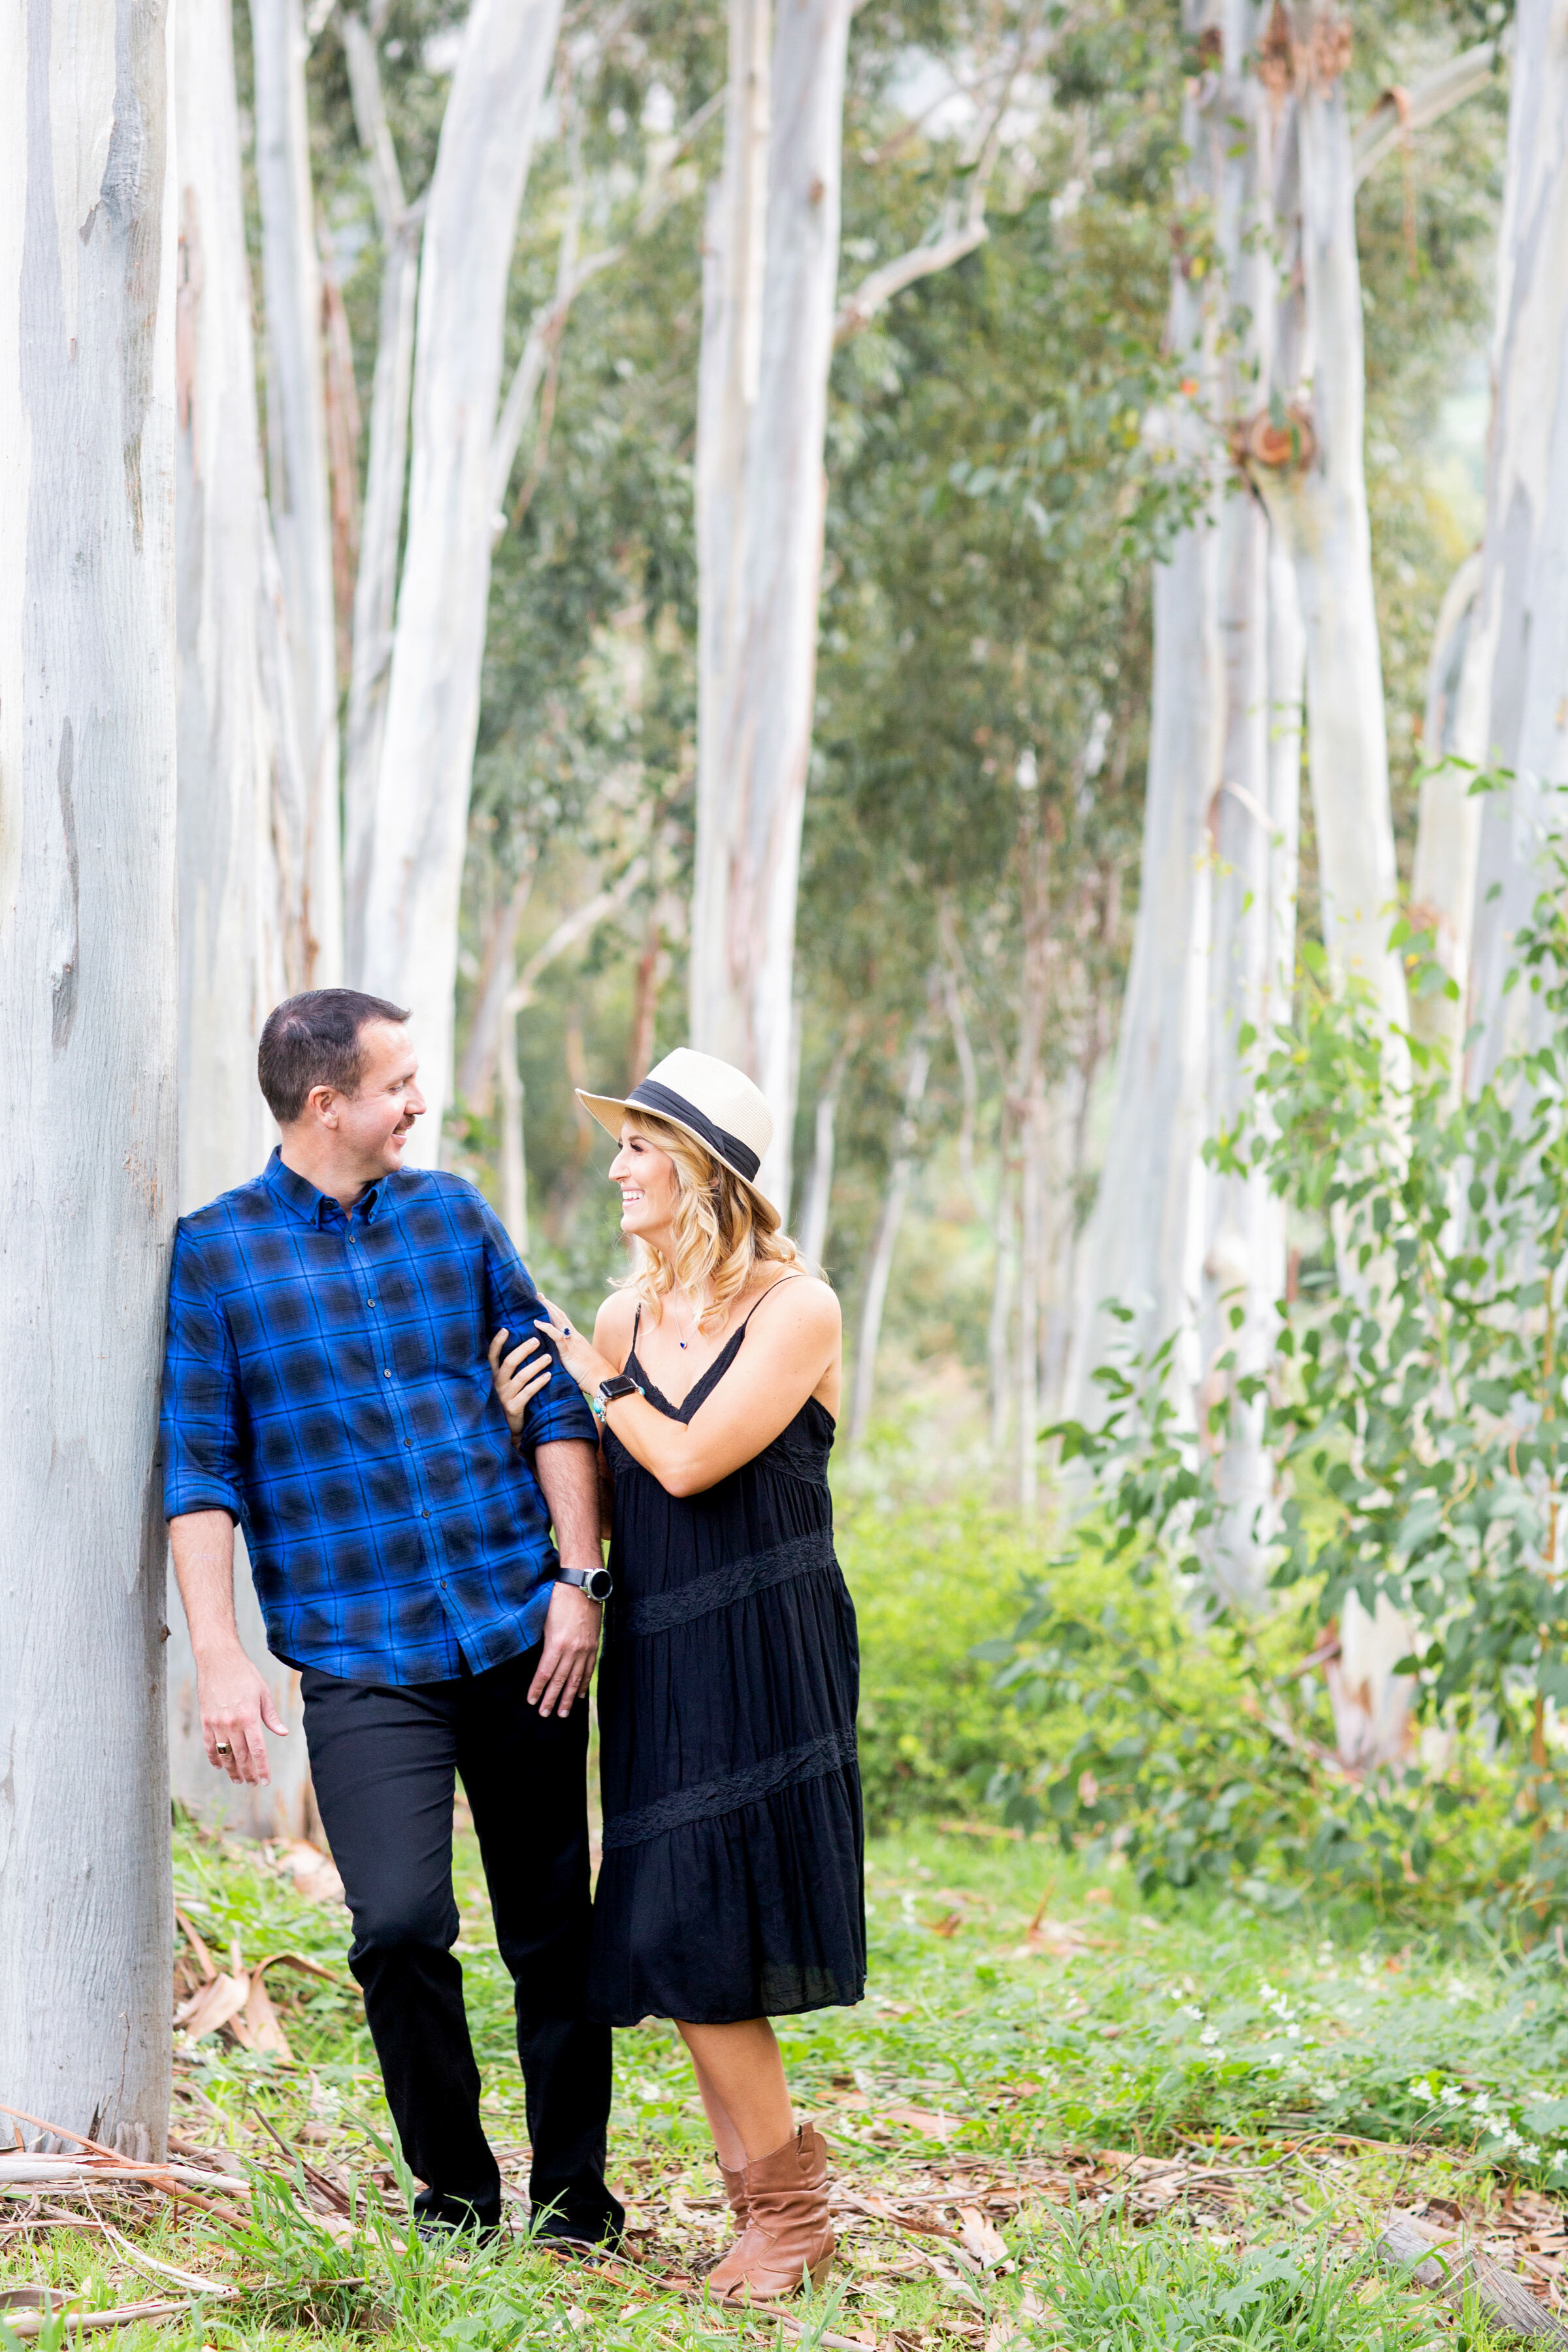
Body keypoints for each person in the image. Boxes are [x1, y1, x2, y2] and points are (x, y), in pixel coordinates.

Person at [161, 989, 622, 2249]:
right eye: (400, 1083)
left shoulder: (456, 1218)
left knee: (554, 1930)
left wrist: (576, 1585)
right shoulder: (218, 1257)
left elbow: (561, 1410)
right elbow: (198, 1472)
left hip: (516, 1627)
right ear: (328, 1105)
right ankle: (460, 2197)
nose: (420, 1103)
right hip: (362, 1659)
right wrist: (222, 1662)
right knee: (401, 1929)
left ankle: (577, 2197)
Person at [492, 1047, 864, 2303]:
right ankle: (768, 2212)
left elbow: (697, 1461)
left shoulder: (793, 1306)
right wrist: (527, 1417)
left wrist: (600, 1388)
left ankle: (791, 2216)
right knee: (676, 1931)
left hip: (764, 1652)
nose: (616, 1169)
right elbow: (599, 1481)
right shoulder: (622, 1318)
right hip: (659, 1648)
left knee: (699, 1922)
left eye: (639, 1147)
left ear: (703, 1167)